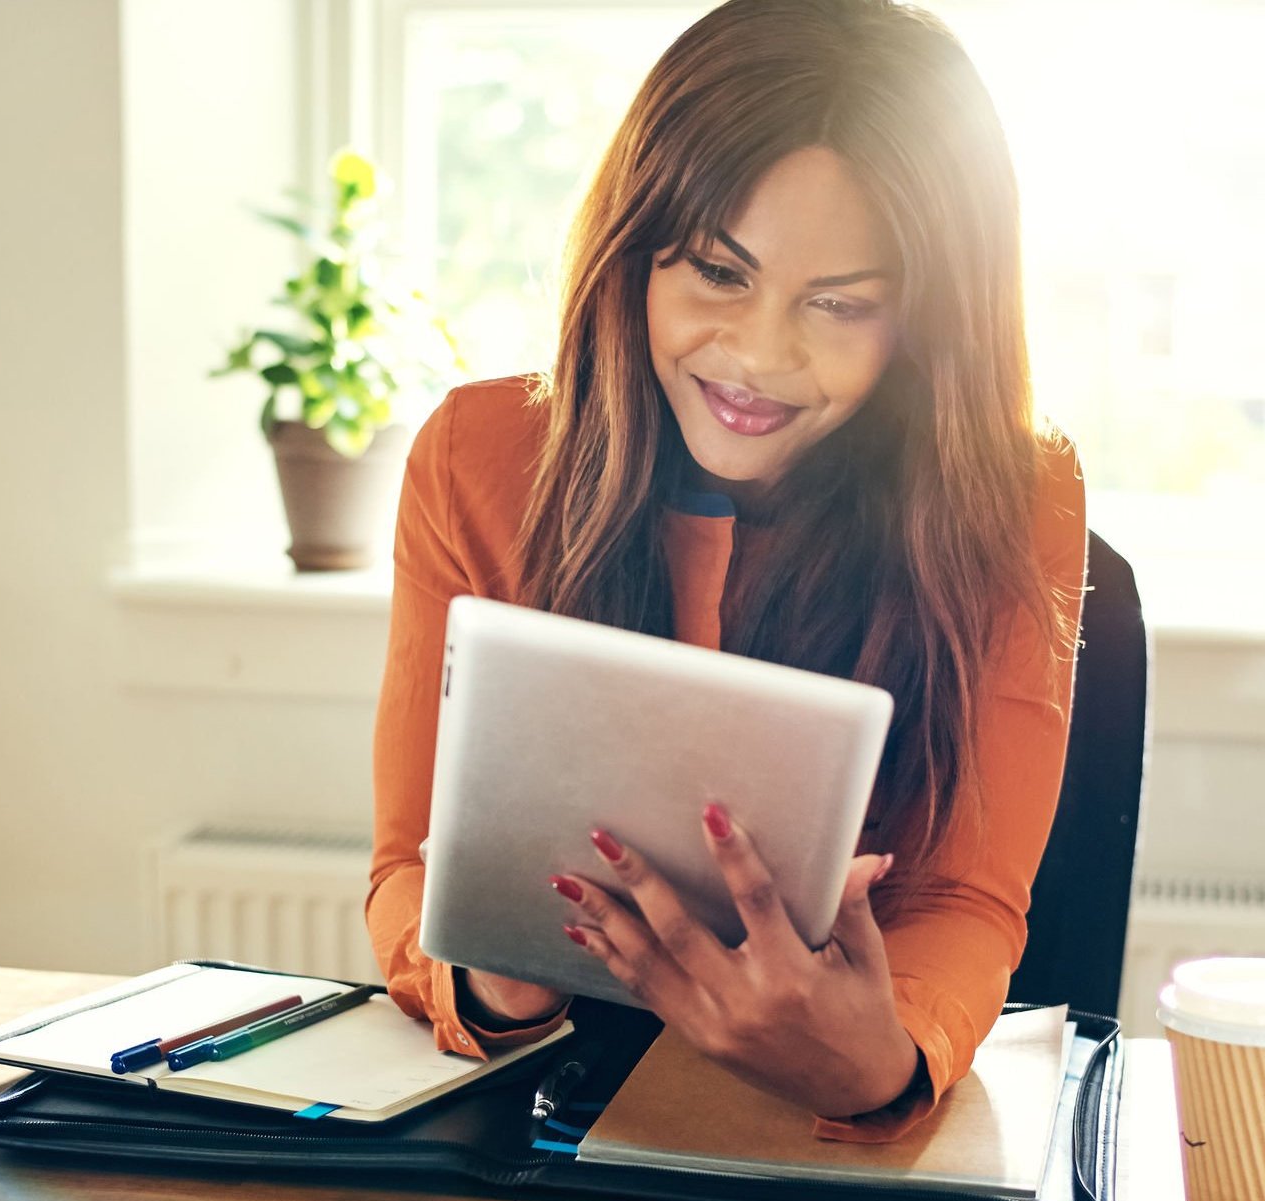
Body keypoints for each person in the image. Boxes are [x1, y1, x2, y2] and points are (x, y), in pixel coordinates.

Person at [366, 0, 1086, 1141]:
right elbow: (413, 858)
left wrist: (884, 1056)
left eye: (841, 304)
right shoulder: (476, 458)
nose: (757, 356)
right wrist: (492, 980)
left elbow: (962, 896)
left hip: (821, 1135)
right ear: (634, 252)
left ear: (929, 325)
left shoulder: (1016, 492)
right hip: (550, 1120)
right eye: (715, 271)